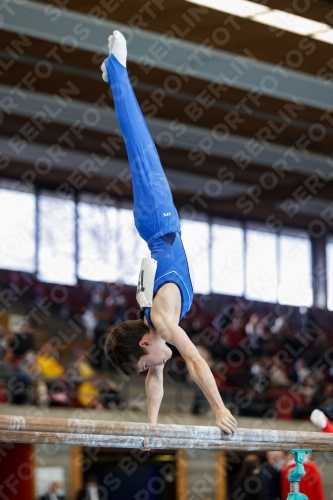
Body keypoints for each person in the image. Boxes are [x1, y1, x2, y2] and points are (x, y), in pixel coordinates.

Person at [101, 31, 237, 435]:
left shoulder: (160, 320)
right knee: (136, 144)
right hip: (156, 227)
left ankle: (116, 69)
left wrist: (219, 410)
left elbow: (195, 361)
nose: (156, 366)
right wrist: (152, 428)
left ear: (145, 343)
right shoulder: (150, 321)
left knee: (139, 143)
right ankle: (115, 78)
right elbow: (155, 380)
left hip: (159, 222)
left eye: (147, 362)